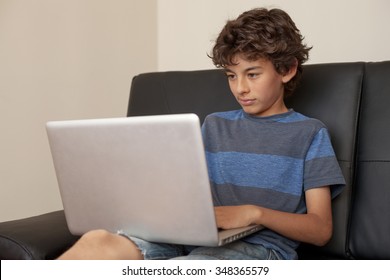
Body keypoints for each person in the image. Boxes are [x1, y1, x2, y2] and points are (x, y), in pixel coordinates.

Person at [58, 7, 345, 260]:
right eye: (231, 76)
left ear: (287, 70)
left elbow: (320, 230)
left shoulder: (309, 133)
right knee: (98, 242)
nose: (240, 88)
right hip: (190, 240)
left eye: (252, 74)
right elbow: (186, 194)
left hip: (259, 250)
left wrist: (253, 213)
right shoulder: (215, 124)